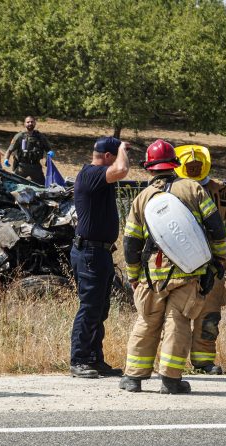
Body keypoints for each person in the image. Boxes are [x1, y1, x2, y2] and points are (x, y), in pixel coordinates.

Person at [119, 139, 226, 394]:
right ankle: (171, 379)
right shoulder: (193, 189)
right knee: (177, 322)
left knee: (146, 321)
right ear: (175, 165)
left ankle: (133, 377)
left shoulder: (142, 198)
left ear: (149, 168)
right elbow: (216, 229)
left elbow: (130, 242)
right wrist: (219, 261)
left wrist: (134, 275)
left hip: (152, 275)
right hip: (189, 274)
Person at [174, 145, 226, 375]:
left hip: (215, 264)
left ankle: (203, 362)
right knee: (178, 313)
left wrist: (225, 244)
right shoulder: (174, 190)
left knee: (210, 315)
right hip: (182, 264)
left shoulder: (219, 190)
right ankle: (172, 363)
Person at [69, 136, 129, 378]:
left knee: (100, 308)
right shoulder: (91, 174)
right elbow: (122, 169)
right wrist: (123, 148)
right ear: (107, 156)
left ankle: (94, 358)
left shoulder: (96, 175)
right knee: (90, 307)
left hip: (99, 252)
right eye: (117, 154)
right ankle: (80, 359)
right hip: (90, 253)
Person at [5, 116, 52, 184]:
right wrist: (6, 159)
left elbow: (49, 149)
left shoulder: (40, 136)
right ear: (24, 124)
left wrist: (50, 154)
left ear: (35, 123)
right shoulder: (19, 136)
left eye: (32, 122)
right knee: (14, 184)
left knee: (42, 186)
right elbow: (9, 150)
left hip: (36, 167)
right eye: (28, 122)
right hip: (22, 167)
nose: (30, 123)